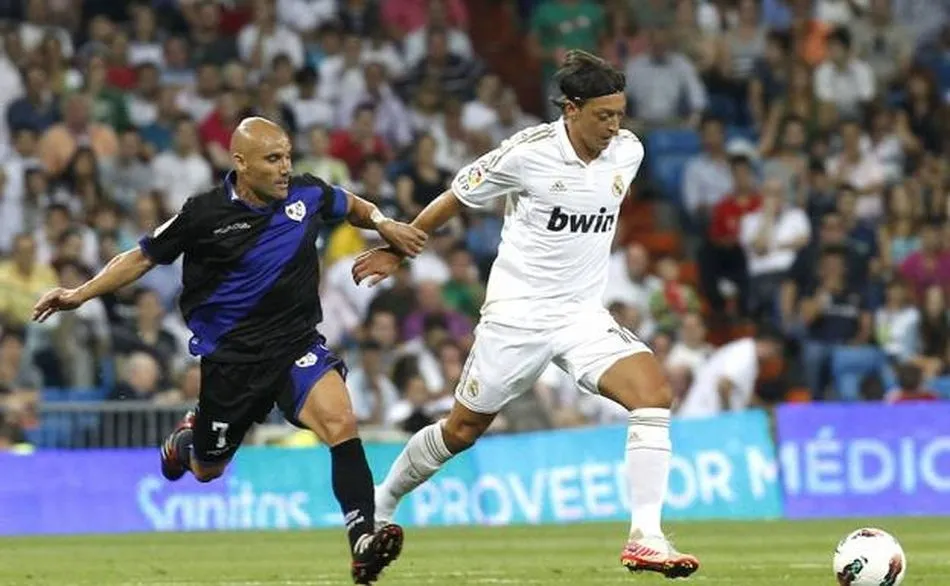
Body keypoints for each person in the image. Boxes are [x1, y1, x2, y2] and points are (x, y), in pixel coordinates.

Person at [353, 51, 700, 578]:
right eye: (603, 115)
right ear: (571, 109)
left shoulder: (628, 152)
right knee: (461, 430)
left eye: (619, 115)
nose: (613, 127)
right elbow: (456, 196)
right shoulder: (527, 153)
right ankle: (381, 502)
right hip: (516, 316)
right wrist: (398, 248)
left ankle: (645, 537)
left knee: (652, 394)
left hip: (581, 314)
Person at [31, 117, 423, 584]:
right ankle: (187, 440)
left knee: (342, 422)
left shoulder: (308, 194)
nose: (285, 169)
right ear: (240, 163)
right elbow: (140, 257)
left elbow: (352, 205)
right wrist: (81, 292)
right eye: (272, 159)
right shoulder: (203, 215)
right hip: (232, 362)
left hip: (295, 345)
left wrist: (383, 223)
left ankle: (362, 539)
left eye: (288, 157)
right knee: (206, 470)